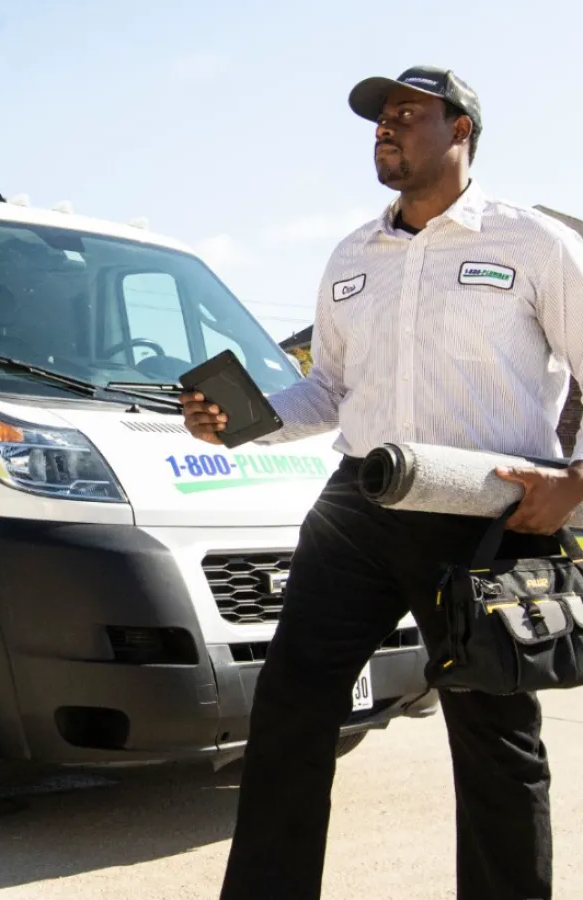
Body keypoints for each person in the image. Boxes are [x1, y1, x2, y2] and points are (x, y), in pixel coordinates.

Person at [184, 66, 583, 900]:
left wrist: (575, 485)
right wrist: (244, 419)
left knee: (494, 737)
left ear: (461, 129)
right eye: (378, 120)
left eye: (407, 114)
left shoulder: (533, 244)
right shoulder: (351, 256)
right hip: (360, 505)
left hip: (488, 519)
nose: (385, 130)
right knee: (292, 704)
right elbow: (329, 390)